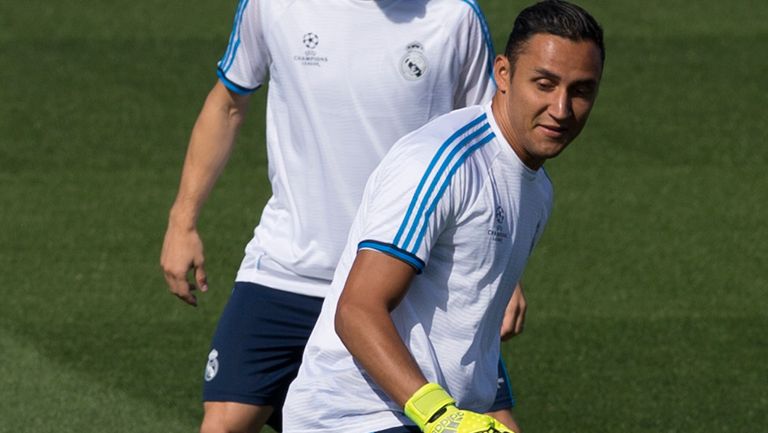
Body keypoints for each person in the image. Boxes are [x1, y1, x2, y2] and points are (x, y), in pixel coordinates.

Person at [160, 1, 527, 432]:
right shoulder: (274, 5)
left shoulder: (455, 16)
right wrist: (181, 222)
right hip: (289, 269)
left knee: (485, 420)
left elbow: (491, 143)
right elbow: (227, 104)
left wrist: (503, 274)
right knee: (223, 423)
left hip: (406, 280)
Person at [282, 1, 605, 432]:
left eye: (580, 91)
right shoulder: (442, 162)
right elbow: (357, 309)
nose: (561, 109)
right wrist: (441, 415)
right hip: (360, 418)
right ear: (503, 74)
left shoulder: (537, 189)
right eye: (544, 84)